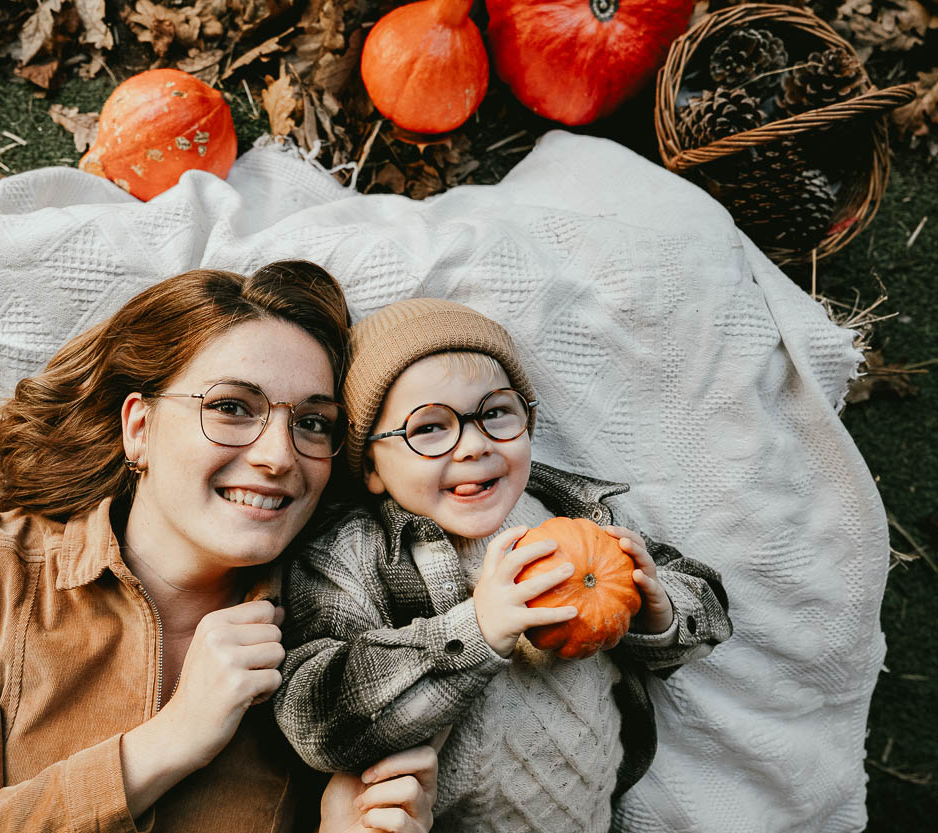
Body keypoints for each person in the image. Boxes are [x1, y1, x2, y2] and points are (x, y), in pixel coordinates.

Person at [0, 262, 438, 833]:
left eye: (312, 422)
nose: (279, 456)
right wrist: (169, 742)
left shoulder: (352, 631)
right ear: (139, 428)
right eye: (230, 408)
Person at [273, 298, 734, 832]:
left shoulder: (576, 514)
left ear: (528, 425)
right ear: (371, 466)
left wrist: (661, 612)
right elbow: (315, 717)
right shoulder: (355, 553)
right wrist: (476, 629)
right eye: (428, 429)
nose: (473, 445)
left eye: (494, 413)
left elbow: (710, 603)